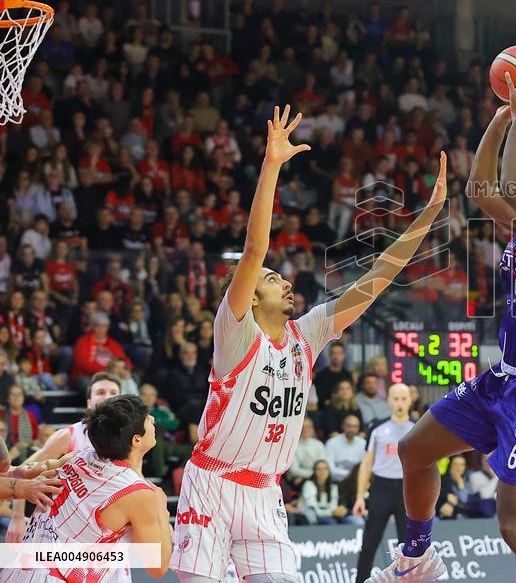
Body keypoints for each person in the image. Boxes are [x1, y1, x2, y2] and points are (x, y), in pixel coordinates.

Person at [169, 106, 450, 583]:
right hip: (212, 483)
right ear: (250, 296)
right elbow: (254, 250)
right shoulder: (235, 332)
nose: (286, 282)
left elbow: (378, 277)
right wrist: (271, 165)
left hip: (265, 493)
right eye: (272, 280)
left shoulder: (308, 333)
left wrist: (427, 217)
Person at [374, 63, 516, 583]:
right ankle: (416, 560)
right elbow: (482, 188)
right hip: (502, 378)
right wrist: (502, 118)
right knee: (414, 450)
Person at [0, 395, 173, 581]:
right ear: (136, 440)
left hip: (15, 572)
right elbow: (158, 567)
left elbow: (22, 471)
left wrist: (14, 475)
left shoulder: (78, 456)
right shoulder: (140, 494)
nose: (152, 419)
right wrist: (162, 510)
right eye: (147, 418)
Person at [6, 372, 121, 543]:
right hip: (64, 530)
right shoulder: (69, 435)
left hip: (107, 529)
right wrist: (17, 517)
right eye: (101, 392)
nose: (107, 397)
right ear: (89, 403)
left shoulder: (129, 441)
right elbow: (23, 471)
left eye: (113, 393)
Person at [352, 384, 414, 582]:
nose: (399, 403)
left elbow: (428, 465)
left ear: (410, 400)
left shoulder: (417, 428)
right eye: (395, 399)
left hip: (407, 489)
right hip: (381, 488)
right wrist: (360, 497)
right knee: (370, 541)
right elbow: (366, 464)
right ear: (388, 400)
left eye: (403, 399)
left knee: (408, 545)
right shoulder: (377, 428)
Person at [300, 459, 362, 526]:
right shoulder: (309, 485)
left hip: (331, 515)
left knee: (355, 521)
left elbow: (333, 507)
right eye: (318, 469)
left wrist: (339, 511)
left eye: (325, 469)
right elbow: (313, 510)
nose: (322, 472)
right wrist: (331, 512)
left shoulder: (333, 487)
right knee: (331, 522)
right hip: (314, 517)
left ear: (328, 471)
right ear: (314, 471)